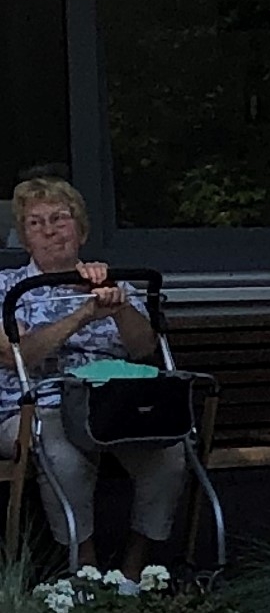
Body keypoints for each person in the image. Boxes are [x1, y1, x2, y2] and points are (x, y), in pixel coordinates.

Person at [1, 174, 191, 573]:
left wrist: (118, 307)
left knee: (169, 456)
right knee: (63, 456)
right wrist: (83, 313)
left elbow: (143, 350)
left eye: (60, 218)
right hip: (39, 407)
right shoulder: (5, 287)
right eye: (36, 223)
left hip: (112, 403)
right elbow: (16, 355)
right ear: (25, 237)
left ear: (81, 230)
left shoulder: (112, 283)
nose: (50, 230)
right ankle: (85, 573)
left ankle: (135, 570)